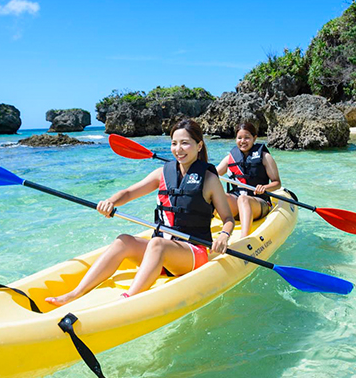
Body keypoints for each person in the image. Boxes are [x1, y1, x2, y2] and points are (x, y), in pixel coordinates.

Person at [47, 119, 234, 305]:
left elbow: (227, 218)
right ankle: (75, 293)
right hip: (163, 252)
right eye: (174, 143)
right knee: (124, 241)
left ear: (199, 145)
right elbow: (128, 193)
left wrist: (224, 235)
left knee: (157, 244)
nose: (178, 149)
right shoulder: (163, 173)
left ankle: (126, 301)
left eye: (185, 143)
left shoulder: (209, 180)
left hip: (193, 252)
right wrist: (110, 201)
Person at [216, 122, 281, 238]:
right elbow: (213, 175)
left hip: (259, 203)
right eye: (239, 138)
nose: (243, 141)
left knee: (243, 199)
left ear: (254, 138)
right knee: (220, 196)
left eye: (247, 138)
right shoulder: (230, 158)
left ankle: (244, 238)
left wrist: (264, 187)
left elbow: (277, 183)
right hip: (236, 205)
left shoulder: (265, 157)